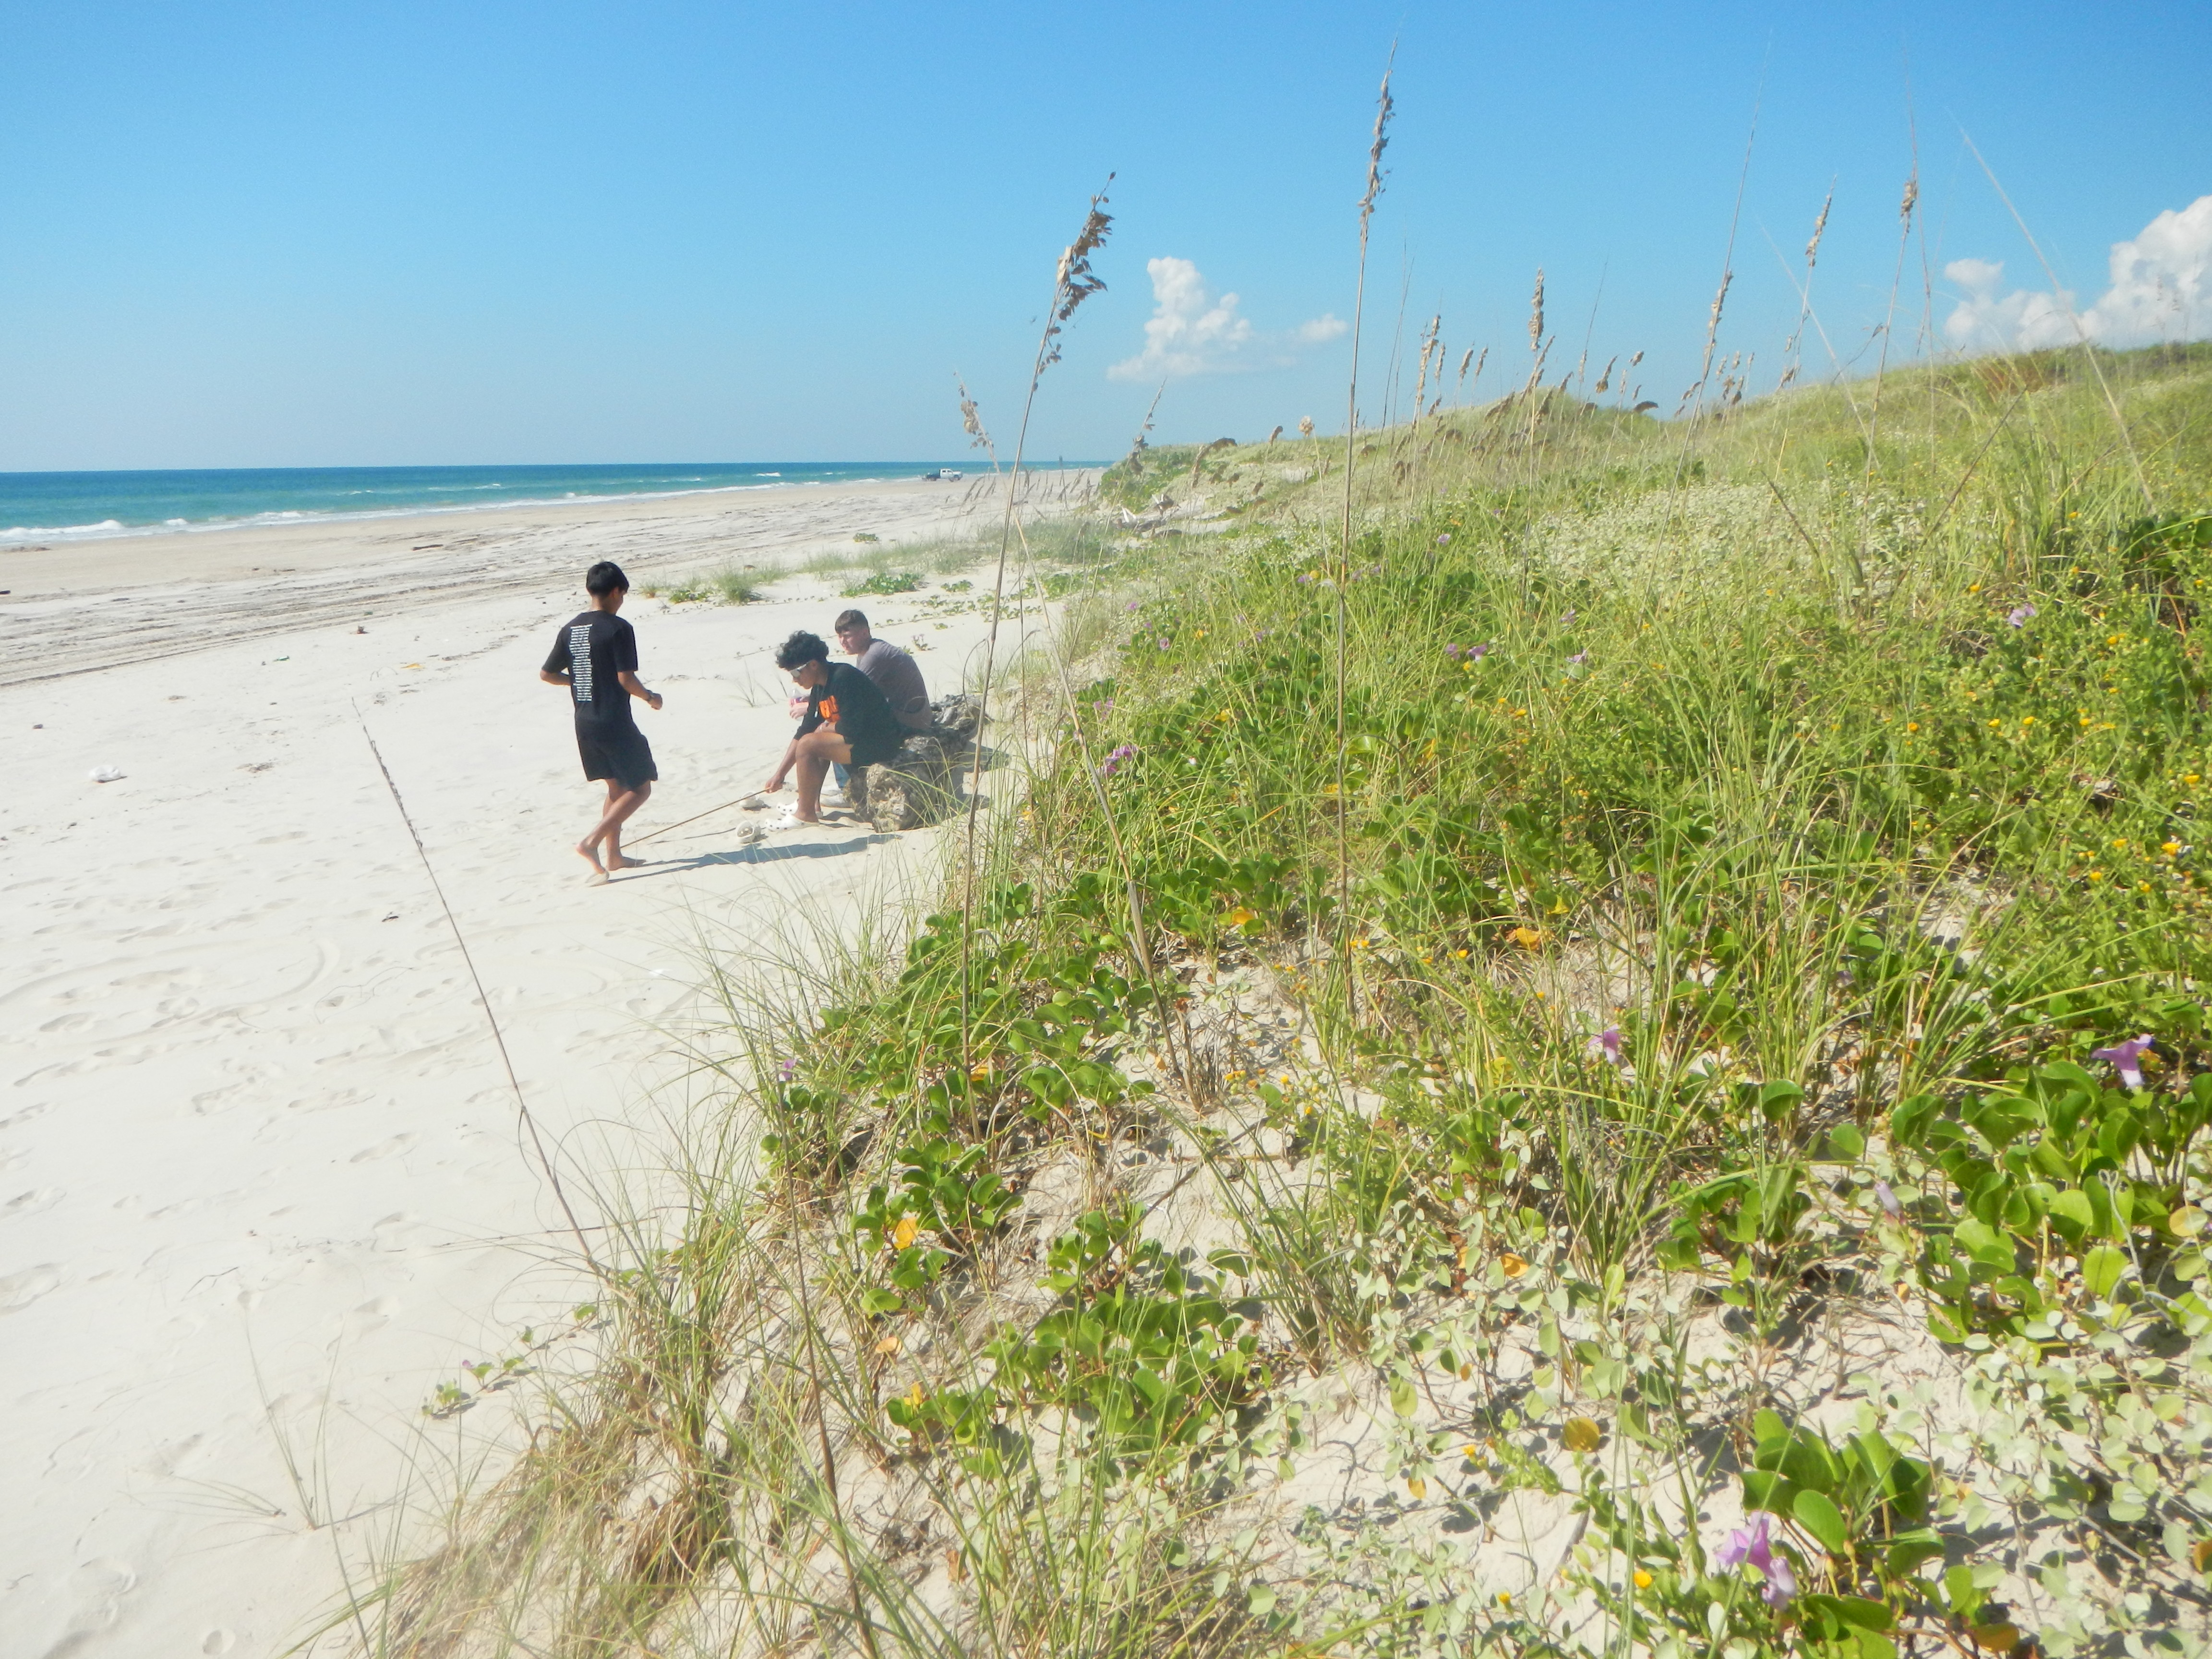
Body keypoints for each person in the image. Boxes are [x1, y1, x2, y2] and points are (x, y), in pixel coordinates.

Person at [540, 560, 663, 884]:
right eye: (622, 594)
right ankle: (591, 843)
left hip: (585, 721)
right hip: (613, 720)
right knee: (641, 788)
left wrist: (581, 681)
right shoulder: (618, 628)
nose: (622, 600)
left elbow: (547, 674)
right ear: (615, 592)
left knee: (615, 787)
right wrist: (651, 697)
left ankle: (614, 856)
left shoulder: (570, 629)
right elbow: (627, 680)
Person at [763, 629, 902, 823]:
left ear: (813, 665)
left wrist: (825, 728)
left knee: (810, 744)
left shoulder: (844, 678)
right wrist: (780, 774)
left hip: (879, 744)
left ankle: (805, 815)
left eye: (796, 673)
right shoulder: (820, 687)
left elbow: (852, 727)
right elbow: (805, 729)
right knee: (810, 739)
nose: (794, 679)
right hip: (858, 742)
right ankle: (811, 805)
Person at [828, 608, 930, 799]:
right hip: (907, 715)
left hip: (911, 722)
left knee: (841, 728)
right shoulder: (868, 652)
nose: (842, 641)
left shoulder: (875, 656)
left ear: (865, 633)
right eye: (839, 636)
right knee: (839, 720)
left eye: (847, 636)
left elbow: (854, 697)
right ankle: (845, 783)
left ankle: (848, 788)